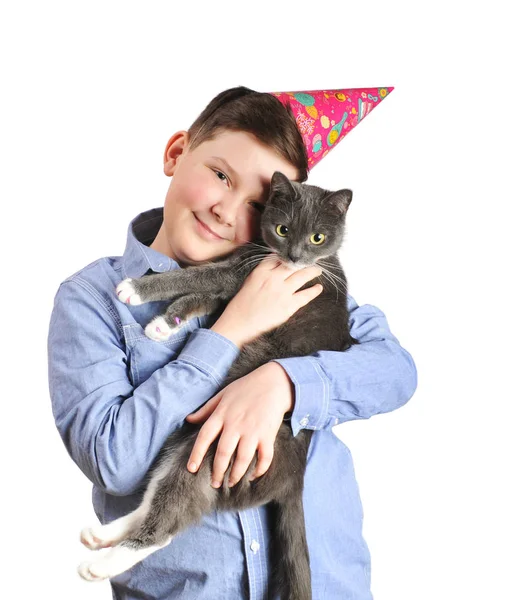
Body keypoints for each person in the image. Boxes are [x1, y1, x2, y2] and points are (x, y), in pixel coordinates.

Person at [47, 85, 417, 600]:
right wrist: (226, 333)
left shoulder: (294, 277)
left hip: (332, 582)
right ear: (177, 153)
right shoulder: (92, 301)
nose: (226, 211)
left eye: (258, 203)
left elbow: (396, 371)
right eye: (220, 175)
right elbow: (113, 459)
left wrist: (284, 383)